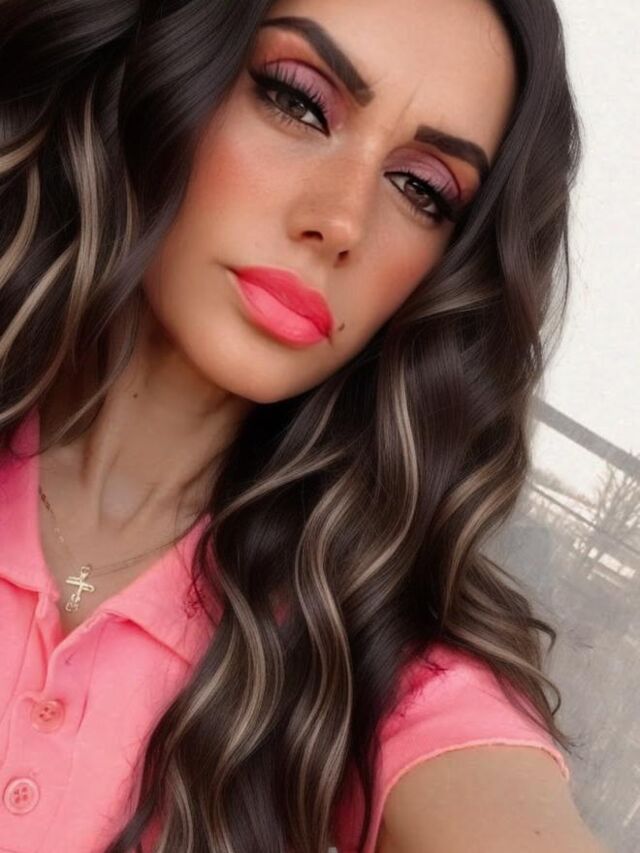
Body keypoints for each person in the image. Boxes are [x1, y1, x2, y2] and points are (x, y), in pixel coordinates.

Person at [0, 0, 609, 851]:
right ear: (165, 67)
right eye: (297, 101)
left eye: (421, 188)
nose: (343, 222)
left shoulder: (370, 658)